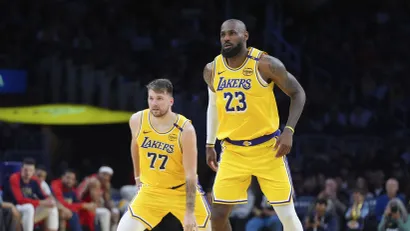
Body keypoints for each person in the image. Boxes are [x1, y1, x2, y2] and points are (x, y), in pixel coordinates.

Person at [204, 19, 306, 231]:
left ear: (245, 36)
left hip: (268, 149)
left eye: (232, 33)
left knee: (286, 214)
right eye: (223, 34)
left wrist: (289, 130)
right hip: (232, 151)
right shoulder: (212, 69)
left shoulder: (266, 64)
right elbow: (213, 107)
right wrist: (209, 143)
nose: (227, 38)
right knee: (217, 216)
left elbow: (298, 93)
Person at [117, 78, 211, 231]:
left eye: (160, 99)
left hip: (181, 191)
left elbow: (191, 174)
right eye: (151, 98)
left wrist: (189, 212)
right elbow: (135, 146)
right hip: (152, 191)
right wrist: (137, 177)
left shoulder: (185, 129)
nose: (154, 103)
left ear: (171, 101)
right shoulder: (137, 120)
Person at [5, 158, 59, 231]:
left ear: (34, 171)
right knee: (29, 207)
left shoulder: (35, 180)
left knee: (52, 207)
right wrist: (41, 202)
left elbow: (43, 196)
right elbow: (20, 200)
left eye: (30, 170)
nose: (28, 173)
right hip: (14, 207)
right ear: (21, 169)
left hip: (30, 211)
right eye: (25, 170)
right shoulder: (14, 178)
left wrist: (50, 201)